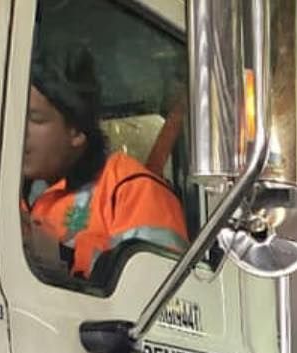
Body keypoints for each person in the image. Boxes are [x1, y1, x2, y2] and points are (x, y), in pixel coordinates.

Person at [21, 47, 188, 282]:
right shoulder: (1, 191)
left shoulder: (133, 191)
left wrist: (56, 256)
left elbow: (159, 293)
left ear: (76, 131)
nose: (20, 130)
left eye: (35, 119)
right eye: (15, 117)